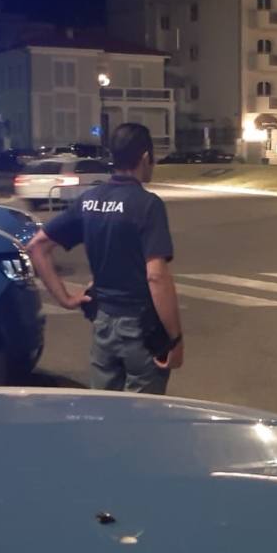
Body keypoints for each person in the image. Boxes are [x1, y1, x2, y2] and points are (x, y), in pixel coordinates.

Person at [26, 123, 183, 394]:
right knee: (140, 418)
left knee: (104, 411)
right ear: (145, 158)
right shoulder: (147, 205)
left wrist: (64, 298)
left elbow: (37, 247)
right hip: (140, 329)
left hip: (103, 324)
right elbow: (156, 276)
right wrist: (175, 339)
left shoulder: (89, 200)